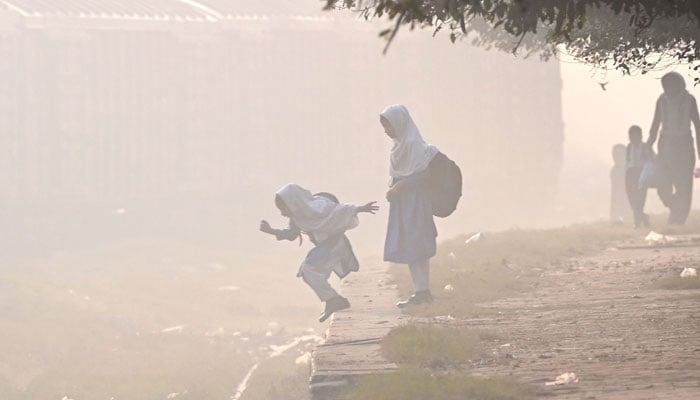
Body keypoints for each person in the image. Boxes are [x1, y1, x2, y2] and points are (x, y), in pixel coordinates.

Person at [260, 183, 378, 322]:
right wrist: (271, 231)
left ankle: (334, 300)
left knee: (309, 270)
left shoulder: (319, 206)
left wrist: (360, 209)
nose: (282, 213)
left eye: (283, 208)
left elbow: (340, 210)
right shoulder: (297, 217)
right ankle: (333, 300)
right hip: (324, 246)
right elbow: (292, 234)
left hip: (334, 243)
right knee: (309, 272)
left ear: (292, 203)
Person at [380, 104, 438, 308]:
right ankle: (420, 291)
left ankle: (423, 291)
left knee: (418, 244)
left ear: (399, 123)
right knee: (411, 246)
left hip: (415, 201)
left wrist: (400, 186)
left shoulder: (413, 144)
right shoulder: (398, 146)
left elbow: (422, 174)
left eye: (389, 126)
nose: (386, 131)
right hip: (404, 203)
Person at [647, 72, 700, 225]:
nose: (670, 89)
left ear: (680, 85)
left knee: (684, 184)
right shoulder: (662, 100)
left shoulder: (689, 100)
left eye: (673, 85)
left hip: (684, 144)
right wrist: (648, 145)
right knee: (663, 185)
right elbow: (655, 124)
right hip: (665, 144)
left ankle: (678, 219)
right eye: (667, 85)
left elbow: (697, 126)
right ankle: (676, 209)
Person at [625, 125, 651, 228]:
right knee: (631, 198)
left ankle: (637, 222)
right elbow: (627, 161)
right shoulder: (629, 147)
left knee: (640, 199)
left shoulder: (645, 147)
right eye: (631, 136)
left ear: (640, 136)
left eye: (635, 135)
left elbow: (650, 161)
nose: (633, 138)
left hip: (642, 173)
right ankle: (643, 217)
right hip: (630, 173)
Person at [610, 143, 631, 224]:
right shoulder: (614, 171)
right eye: (615, 155)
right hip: (619, 199)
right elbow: (614, 192)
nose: (615, 158)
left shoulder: (628, 169)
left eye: (618, 155)